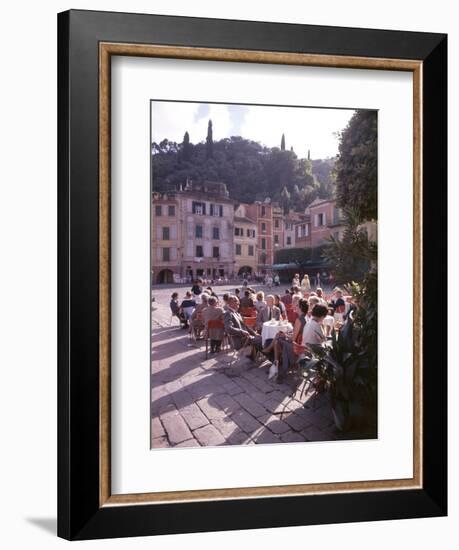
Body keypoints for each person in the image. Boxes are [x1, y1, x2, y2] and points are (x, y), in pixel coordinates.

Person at [224, 295, 262, 361]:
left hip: (245, 337)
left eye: (238, 301)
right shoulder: (228, 313)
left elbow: (246, 326)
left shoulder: (236, 313)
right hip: (238, 340)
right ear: (230, 303)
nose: (238, 303)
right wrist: (242, 331)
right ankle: (259, 356)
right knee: (260, 340)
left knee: (260, 337)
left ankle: (254, 355)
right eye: (236, 301)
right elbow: (228, 328)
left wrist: (254, 333)